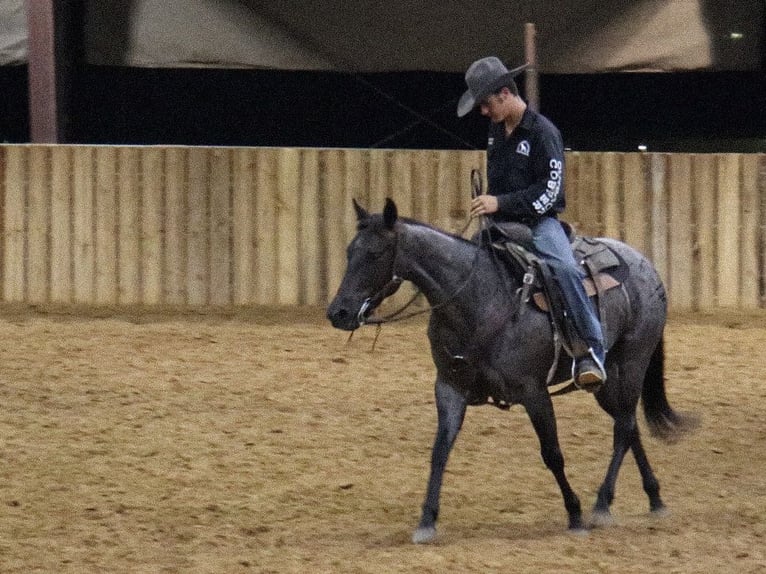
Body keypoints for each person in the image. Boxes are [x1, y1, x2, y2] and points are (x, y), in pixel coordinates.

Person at [458, 55, 606, 391]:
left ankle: (592, 349)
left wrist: (501, 203)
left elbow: (550, 192)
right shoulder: (496, 131)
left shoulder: (543, 134)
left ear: (505, 94)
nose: (484, 111)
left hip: (540, 223)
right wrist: (491, 205)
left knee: (565, 270)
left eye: (486, 104)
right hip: (501, 222)